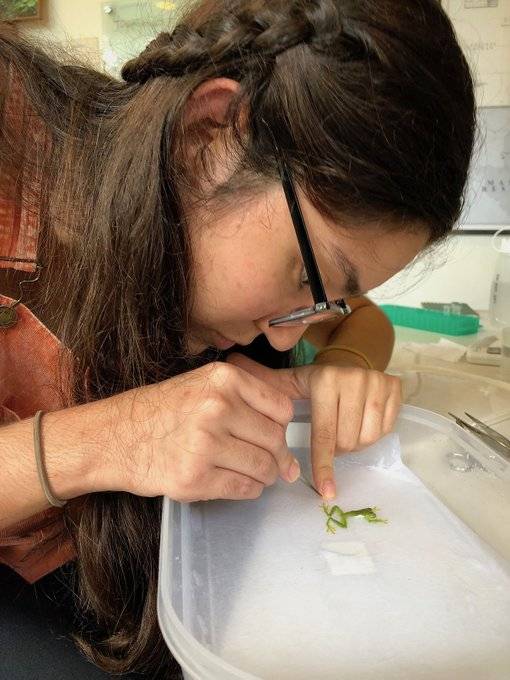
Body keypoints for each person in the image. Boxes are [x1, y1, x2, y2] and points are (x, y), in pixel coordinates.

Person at [0, 0, 475, 677]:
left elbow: (363, 319)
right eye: (308, 275)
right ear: (209, 137)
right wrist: (109, 439)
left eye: (325, 301)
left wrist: (345, 361)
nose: (285, 345)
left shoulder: (229, 234)